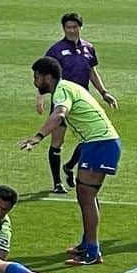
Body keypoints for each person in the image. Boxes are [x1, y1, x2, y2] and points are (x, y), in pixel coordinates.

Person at [21, 55, 122, 266]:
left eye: (36, 77)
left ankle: (92, 251)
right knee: (87, 195)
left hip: (100, 143)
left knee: (86, 196)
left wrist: (38, 137)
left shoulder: (62, 91)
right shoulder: (68, 86)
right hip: (97, 143)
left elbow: (60, 114)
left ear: (47, 77)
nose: (34, 82)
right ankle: (87, 244)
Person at [41, 13, 118, 195]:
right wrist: (40, 97)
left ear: (80, 28)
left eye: (75, 27)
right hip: (62, 102)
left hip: (81, 104)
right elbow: (44, 75)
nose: (72, 30)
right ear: (64, 29)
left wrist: (104, 92)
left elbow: (92, 72)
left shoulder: (88, 48)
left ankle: (69, 166)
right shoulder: (56, 50)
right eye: (68, 27)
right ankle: (57, 183)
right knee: (57, 142)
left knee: (88, 138)